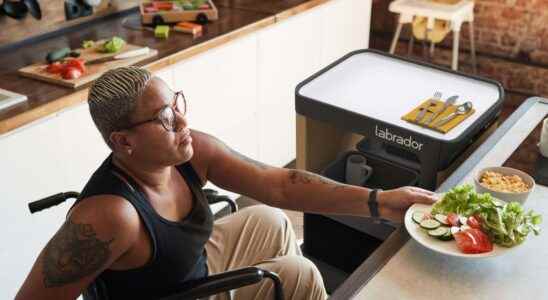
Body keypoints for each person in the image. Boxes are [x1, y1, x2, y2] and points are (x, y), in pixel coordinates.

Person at [16, 66, 437, 300]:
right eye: (164, 118)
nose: (182, 121)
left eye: (176, 103)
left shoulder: (190, 149)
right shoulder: (110, 215)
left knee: (270, 218)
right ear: (123, 141)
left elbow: (281, 184)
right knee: (298, 274)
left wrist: (380, 201)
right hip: (173, 293)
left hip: (186, 265)